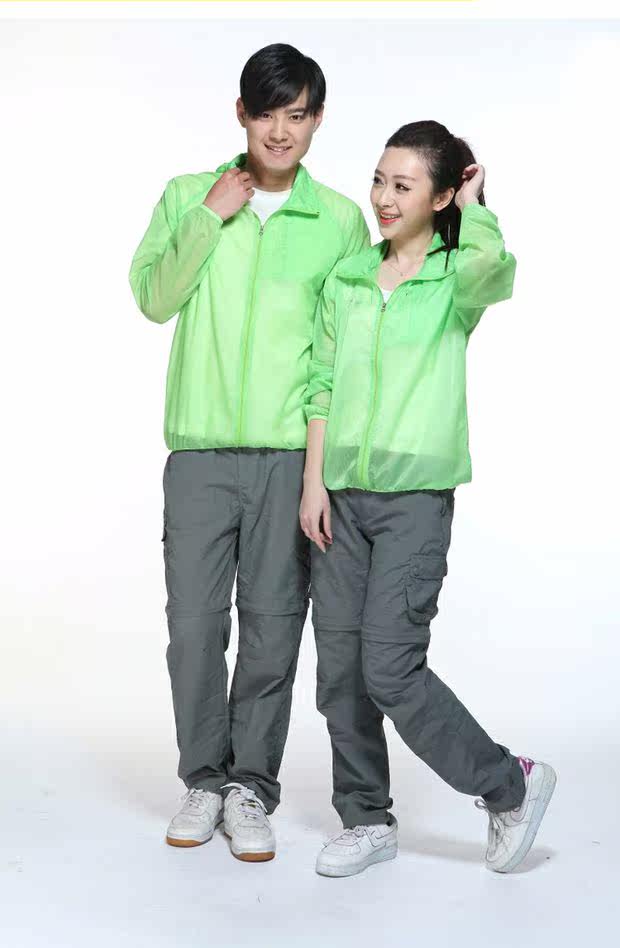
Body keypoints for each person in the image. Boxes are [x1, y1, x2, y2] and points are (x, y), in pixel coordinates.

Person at [129, 44, 369, 862]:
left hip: (287, 459)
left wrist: (319, 473)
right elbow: (153, 298)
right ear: (241, 113)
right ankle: (203, 778)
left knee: (272, 628)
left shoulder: (338, 221)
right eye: (266, 113)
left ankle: (250, 789)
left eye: (296, 115)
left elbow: (339, 355)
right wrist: (210, 214)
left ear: (317, 120)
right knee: (194, 627)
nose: (279, 131)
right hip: (199, 454)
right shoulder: (186, 196)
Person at [300, 120, 556, 877]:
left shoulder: (456, 279)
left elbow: (493, 272)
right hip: (340, 497)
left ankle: (509, 784)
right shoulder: (348, 278)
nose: (383, 198)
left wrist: (475, 208)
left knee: (389, 667)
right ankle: (365, 819)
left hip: (414, 501)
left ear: (440, 196)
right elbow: (322, 383)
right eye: (379, 180)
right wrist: (314, 482)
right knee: (340, 672)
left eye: (404, 185)